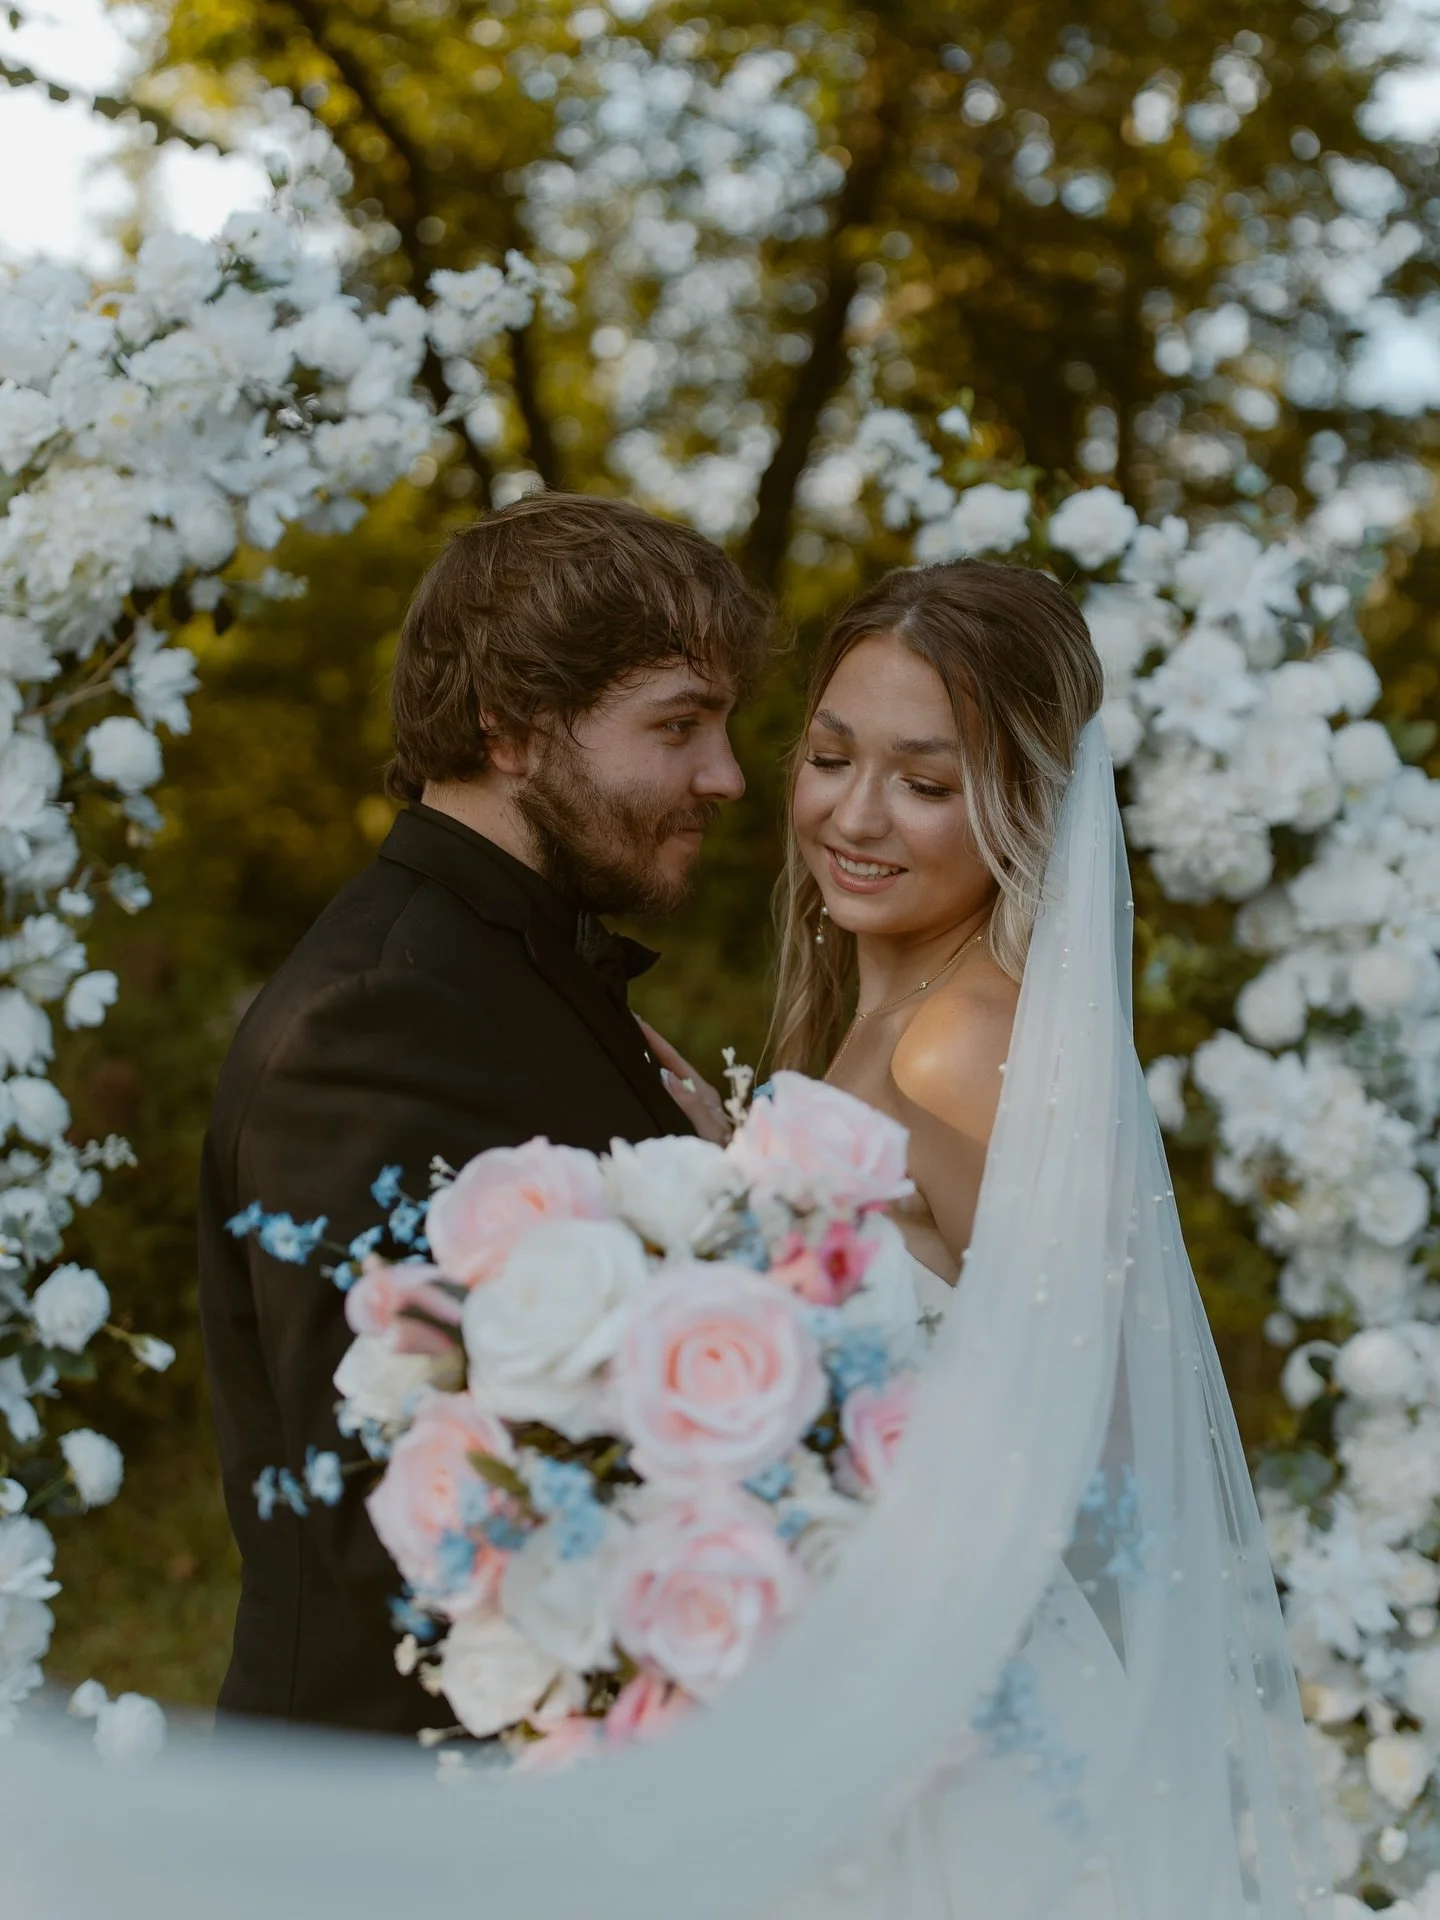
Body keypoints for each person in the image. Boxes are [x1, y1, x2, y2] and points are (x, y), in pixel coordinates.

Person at [197, 492, 771, 1736]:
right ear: (509, 730)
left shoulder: (516, 968)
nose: (726, 777)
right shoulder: (378, 1016)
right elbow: (386, 1514)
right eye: (678, 726)